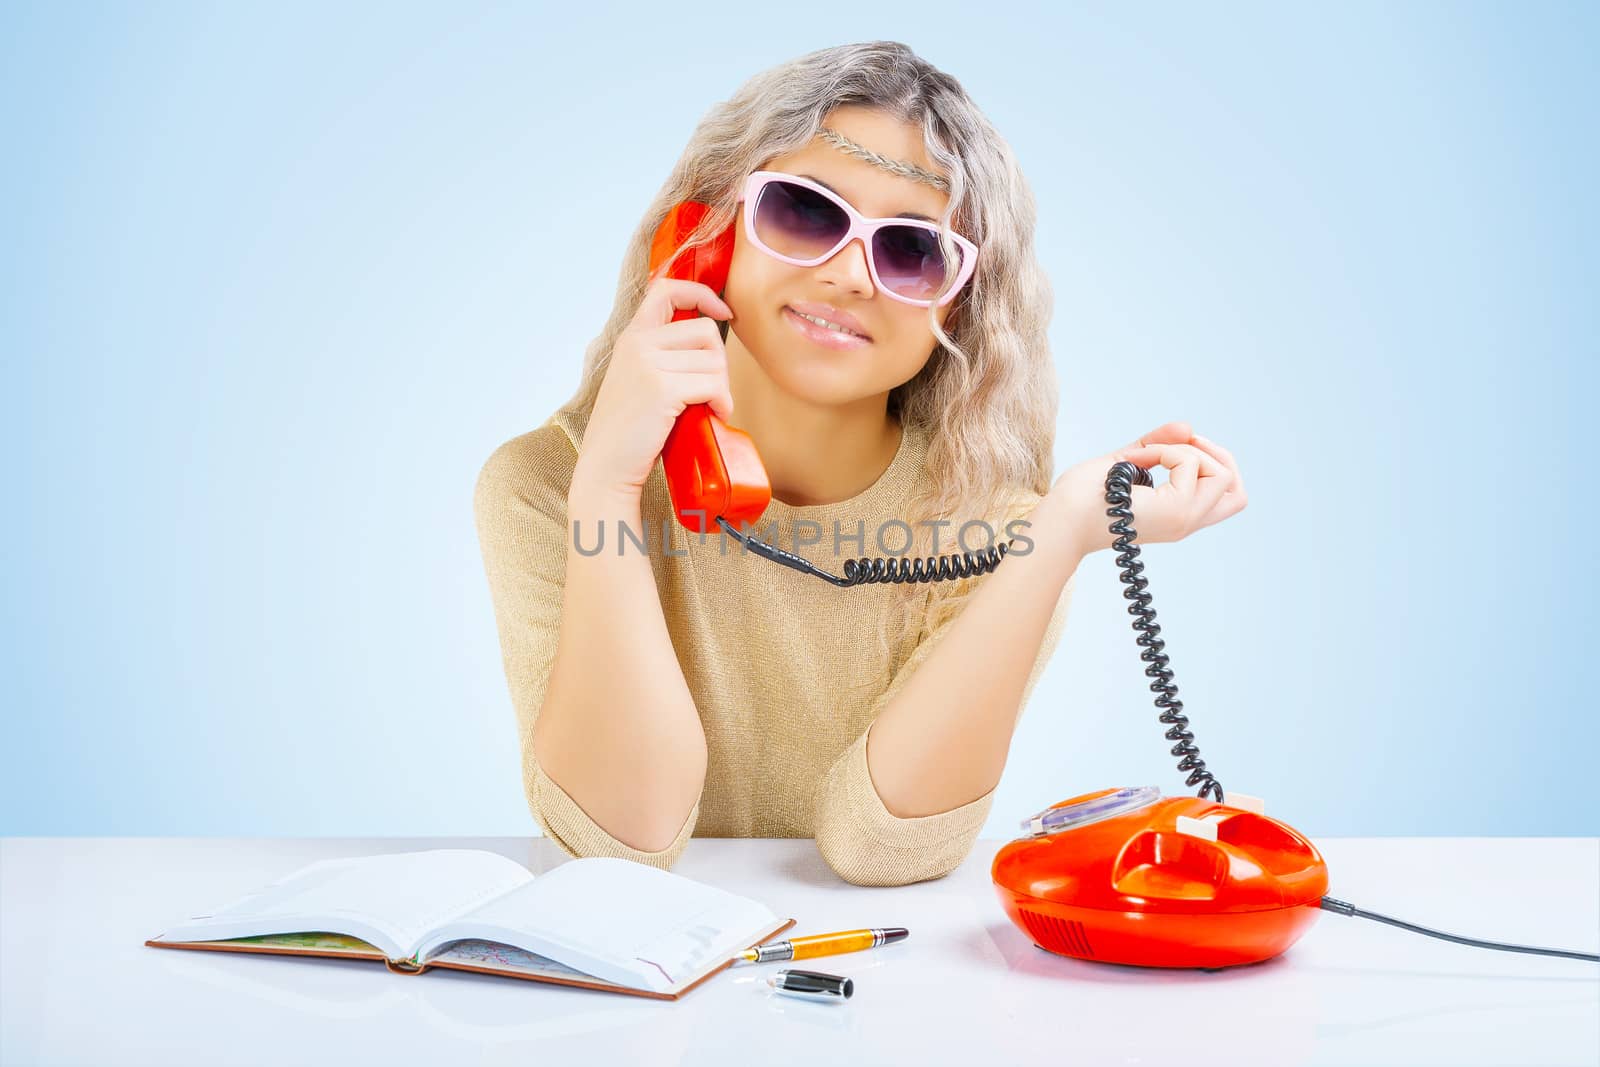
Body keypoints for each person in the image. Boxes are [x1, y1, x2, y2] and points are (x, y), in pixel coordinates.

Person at [473, 41, 1246, 887]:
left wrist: (1060, 534)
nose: (848, 275)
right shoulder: (549, 488)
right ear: (704, 237)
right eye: (804, 213)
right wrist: (612, 486)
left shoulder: (998, 535)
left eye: (911, 252)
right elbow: (622, 846)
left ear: (962, 307)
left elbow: (878, 848)